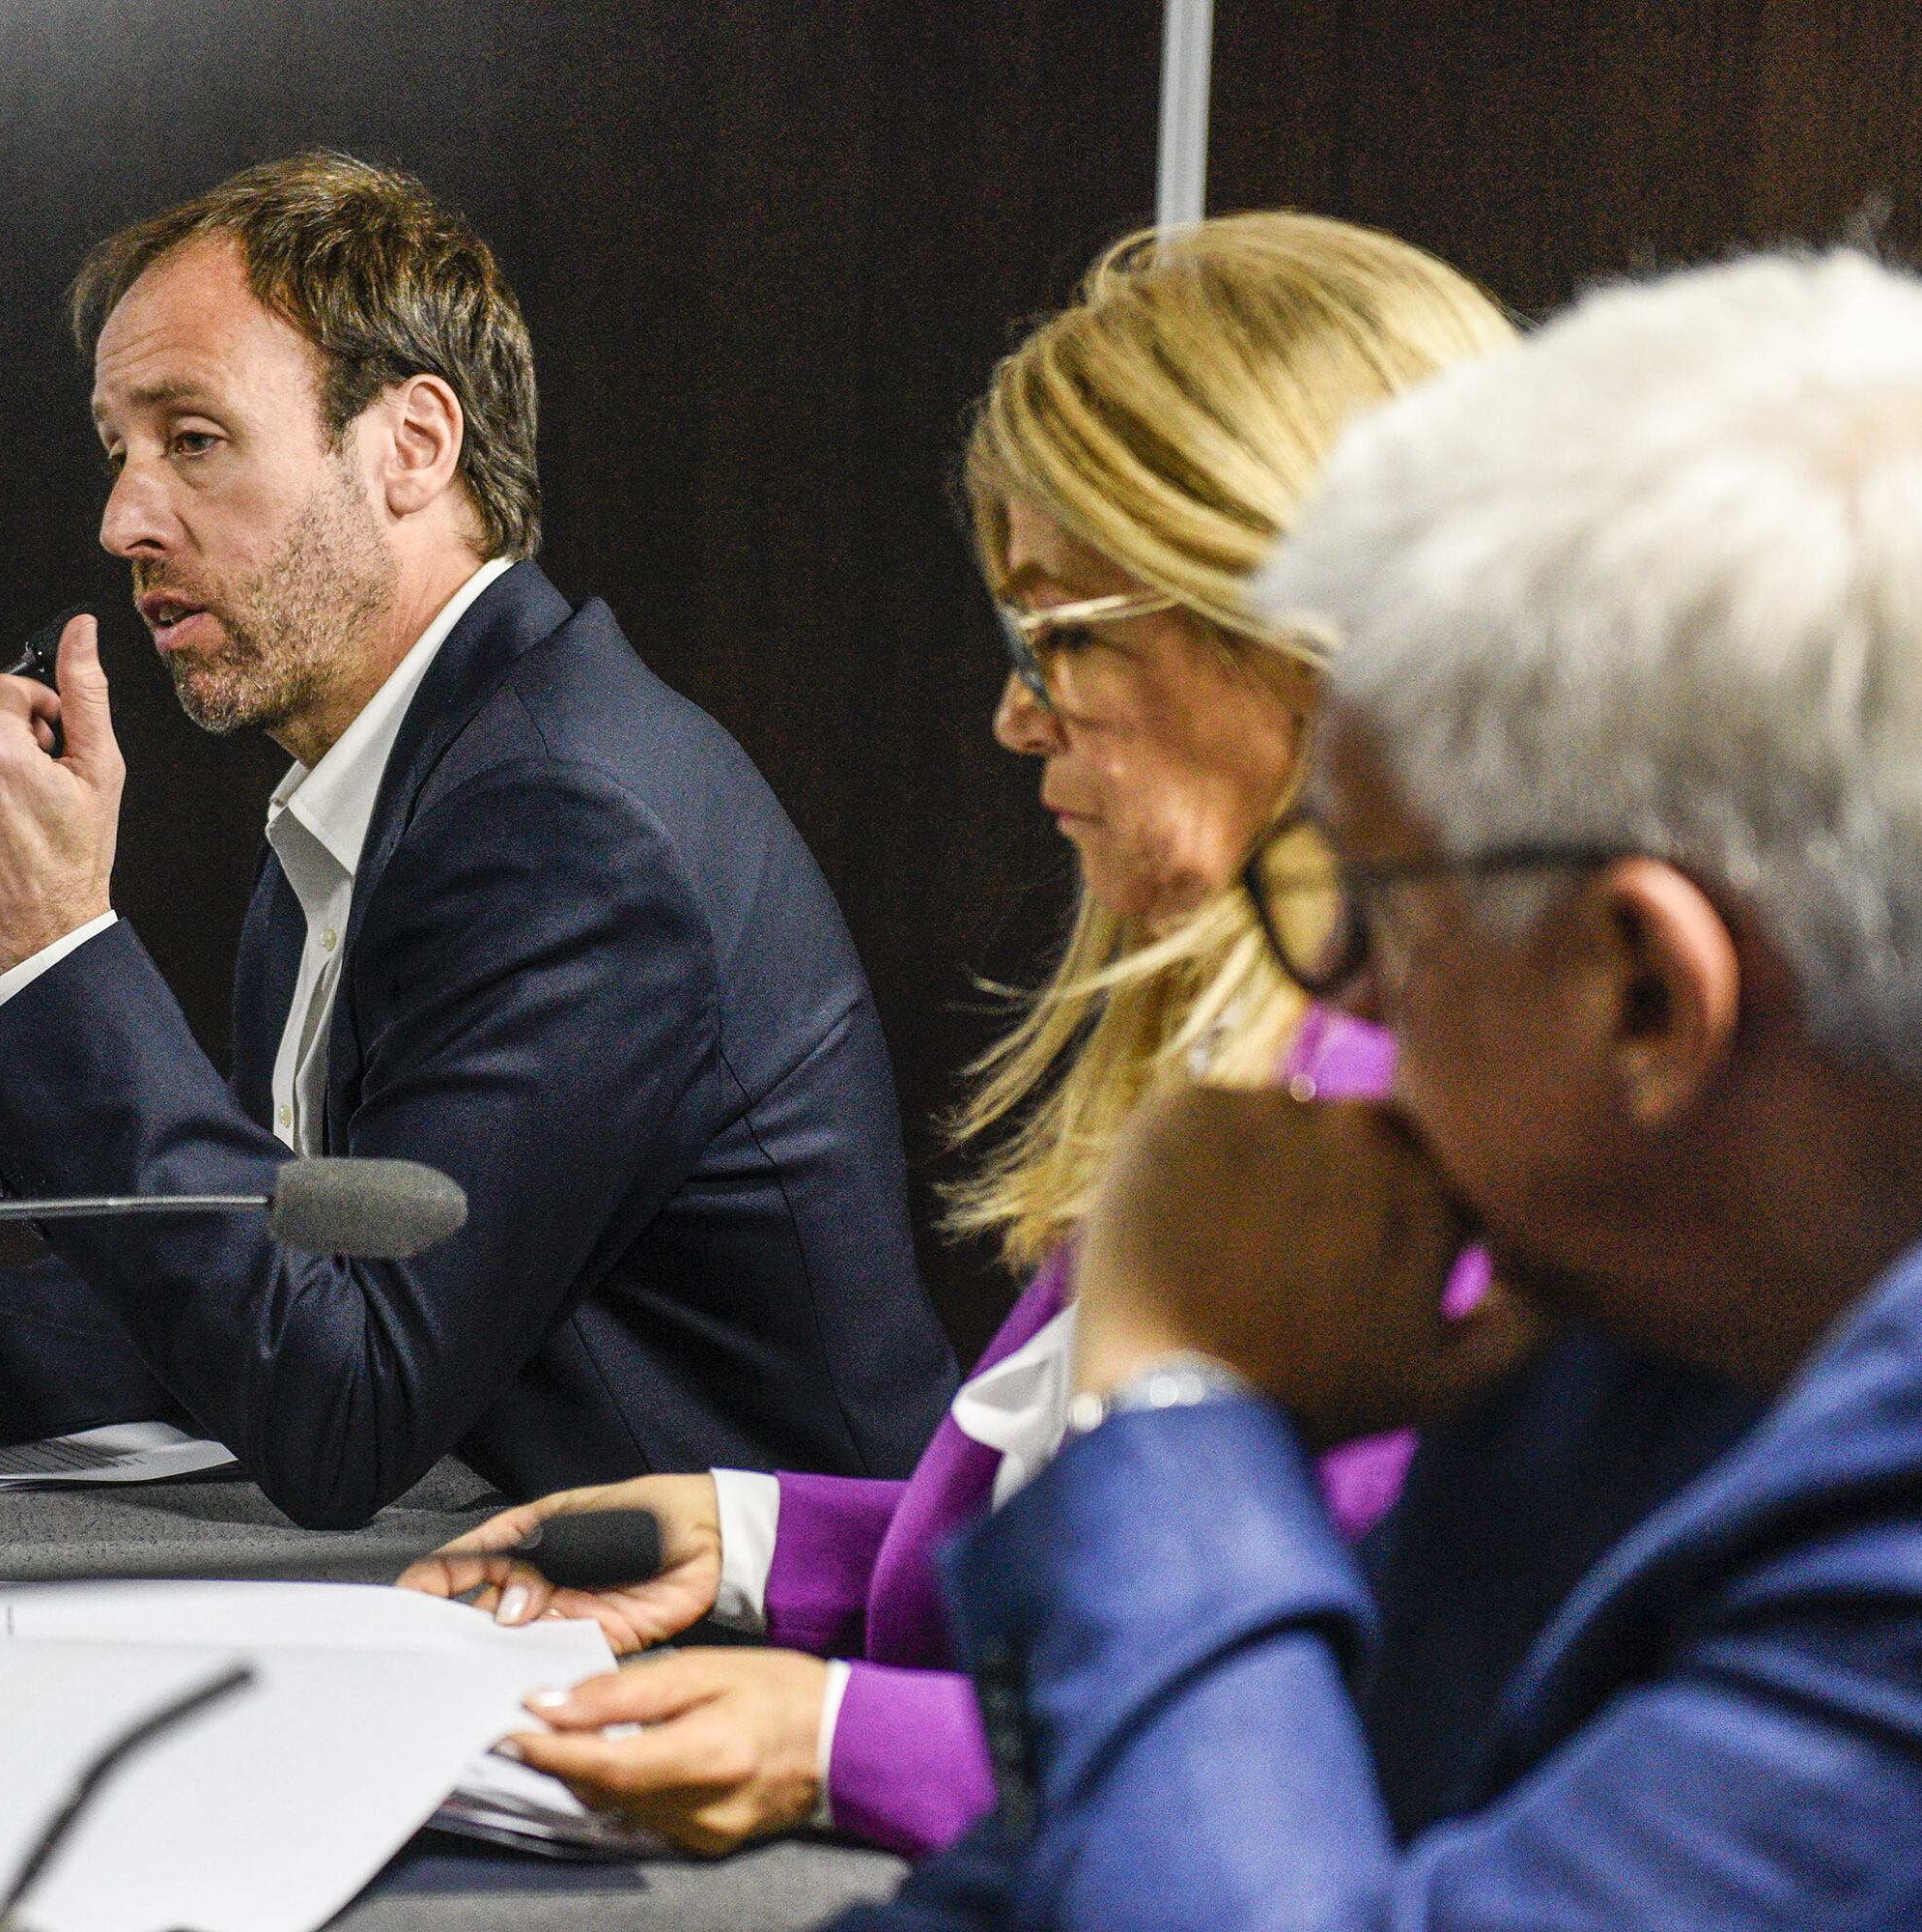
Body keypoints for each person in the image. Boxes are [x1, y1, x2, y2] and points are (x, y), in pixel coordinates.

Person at [840, 250, 1922, 1931]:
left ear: (1646, 997)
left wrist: (1180, 1397)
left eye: (1377, 908)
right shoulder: (1652, 1263)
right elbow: (1091, 1865)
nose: (1337, 991)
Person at [402, 214, 1516, 1855]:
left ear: (1305, 636)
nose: (1014, 713)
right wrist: (762, 1538)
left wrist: (840, 1740)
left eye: (1060, 637)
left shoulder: (1429, 1140)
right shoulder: (1253, 1060)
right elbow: (1087, 1538)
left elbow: (1321, 1749)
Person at [0, 152, 959, 1530]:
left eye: (193, 440)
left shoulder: (565, 822)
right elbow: (264, 1278)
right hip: (545, 1587)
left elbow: (341, 1398)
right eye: (117, 453)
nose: (123, 520)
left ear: (412, 448)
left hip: (784, 1650)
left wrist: (53, 947)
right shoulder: (405, 774)